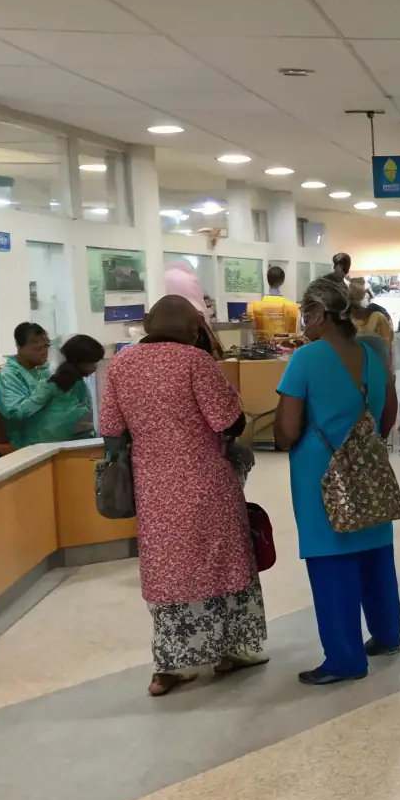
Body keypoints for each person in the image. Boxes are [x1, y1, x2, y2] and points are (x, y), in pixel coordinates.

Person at [99, 295, 268, 697]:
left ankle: (170, 668)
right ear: (194, 328)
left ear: (148, 323)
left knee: (167, 568)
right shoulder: (195, 362)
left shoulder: (122, 363)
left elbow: (110, 428)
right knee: (222, 561)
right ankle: (231, 652)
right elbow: (228, 421)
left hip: (154, 486)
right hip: (206, 481)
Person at [274, 278, 400, 685]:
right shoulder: (373, 352)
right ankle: (386, 636)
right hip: (369, 466)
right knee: (375, 554)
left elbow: (287, 430)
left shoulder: (306, 359)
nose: (303, 323)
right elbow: (388, 414)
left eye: (305, 314)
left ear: (319, 314)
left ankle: (345, 659)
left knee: (331, 561)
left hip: (320, 472)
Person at [0, 324, 102, 448]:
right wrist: (47, 390)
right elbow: (15, 413)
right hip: (29, 442)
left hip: (63, 437)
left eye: (46, 345)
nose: (44, 351)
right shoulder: (8, 376)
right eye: (38, 346)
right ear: (19, 346)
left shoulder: (45, 370)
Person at [163, 262, 224, 359]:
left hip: (168, 332)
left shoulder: (161, 278)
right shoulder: (191, 278)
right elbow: (200, 306)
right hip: (194, 329)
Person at [246, 266, 299, 341]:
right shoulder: (293, 307)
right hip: (286, 350)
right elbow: (295, 334)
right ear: (282, 281)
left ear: (267, 280)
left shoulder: (254, 307)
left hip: (263, 350)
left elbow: (254, 333)